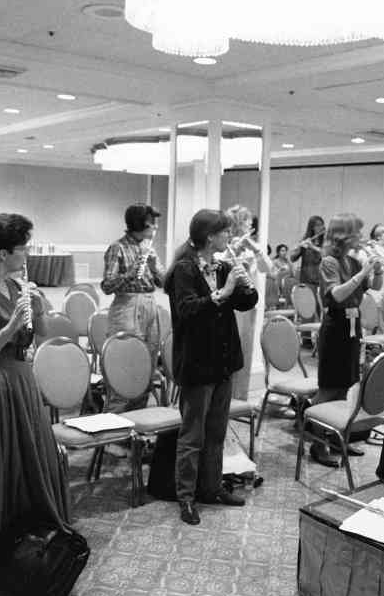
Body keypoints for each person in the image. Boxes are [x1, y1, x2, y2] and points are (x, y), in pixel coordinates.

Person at [0, 213, 71, 572]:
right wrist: (11, 326)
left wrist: (37, 306)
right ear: (3, 253)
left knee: (34, 459)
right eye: (23, 248)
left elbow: (43, 334)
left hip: (20, 380)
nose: (28, 254)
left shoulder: (18, 287)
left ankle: (33, 537)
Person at [164, 209, 258, 525]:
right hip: (196, 362)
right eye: (224, 233)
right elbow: (188, 310)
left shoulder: (222, 267)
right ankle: (186, 498)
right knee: (193, 435)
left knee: (217, 431)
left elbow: (246, 302)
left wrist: (244, 286)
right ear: (209, 236)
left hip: (222, 361)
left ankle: (212, 487)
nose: (228, 238)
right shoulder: (183, 270)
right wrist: (225, 291)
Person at [309, 214, 384, 467]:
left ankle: (338, 438)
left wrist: (377, 271)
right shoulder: (328, 262)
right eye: (357, 233)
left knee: (348, 385)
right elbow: (338, 295)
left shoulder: (352, 260)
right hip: (335, 326)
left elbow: (370, 287)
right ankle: (317, 444)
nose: (362, 238)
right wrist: (363, 272)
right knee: (329, 387)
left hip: (353, 325)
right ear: (344, 235)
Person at [100, 203, 165, 411]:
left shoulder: (148, 248)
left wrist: (154, 265)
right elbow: (107, 285)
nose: (154, 228)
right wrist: (132, 271)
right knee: (125, 364)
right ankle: (113, 424)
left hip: (149, 303)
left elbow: (164, 283)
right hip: (126, 306)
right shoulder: (117, 247)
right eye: (151, 224)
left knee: (147, 363)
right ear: (140, 224)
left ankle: (137, 424)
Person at [224, 205, 275, 402]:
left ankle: (240, 397)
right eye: (246, 221)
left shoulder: (252, 245)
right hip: (230, 305)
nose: (251, 224)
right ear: (237, 223)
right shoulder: (225, 245)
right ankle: (226, 397)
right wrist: (233, 250)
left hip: (249, 305)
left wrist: (257, 251)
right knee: (230, 352)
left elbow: (268, 269)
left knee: (245, 352)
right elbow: (219, 267)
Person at [289, 215, 325, 298]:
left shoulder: (326, 241)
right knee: (308, 307)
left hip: (321, 279)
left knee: (319, 306)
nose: (321, 227)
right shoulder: (305, 239)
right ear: (312, 227)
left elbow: (326, 255)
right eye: (318, 225)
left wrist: (313, 247)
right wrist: (299, 248)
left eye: (322, 225)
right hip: (307, 279)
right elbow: (292, 258)